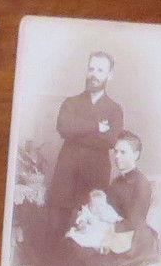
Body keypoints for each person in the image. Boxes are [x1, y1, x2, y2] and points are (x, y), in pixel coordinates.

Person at [61, 131, 160, 266]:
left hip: (133, 239)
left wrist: (107, 227)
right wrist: (90, 220)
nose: (117, 156)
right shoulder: (117, 181)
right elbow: (104, 208)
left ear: (136, 155)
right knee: (72, 246)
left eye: (123, 152)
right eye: (116, 151)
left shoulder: (141, 185)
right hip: (114, 229)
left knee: (89, 263)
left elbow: (134, 222)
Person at [47, 51, 123, 243]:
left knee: (90, 231)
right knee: (56, 230)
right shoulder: (71, 103)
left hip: (94, 177)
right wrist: (96, 127)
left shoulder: (114, 110)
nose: (94, 74)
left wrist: (76, 134)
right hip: (66, 175)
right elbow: (64, 127)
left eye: (100, 70)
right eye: (91, 69)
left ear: (109, 75)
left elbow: (110, 140)